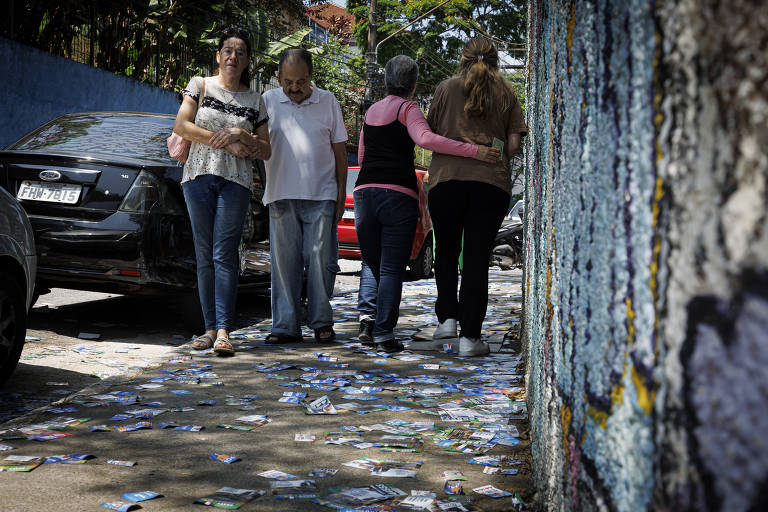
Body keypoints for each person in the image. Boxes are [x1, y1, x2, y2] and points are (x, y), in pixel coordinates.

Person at [355, 55, 500, 353]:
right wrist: (474, 151)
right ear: (413, 84)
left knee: (371, 262)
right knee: (392, 267)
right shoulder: (408, 108)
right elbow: (425, 139)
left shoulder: (370, 112)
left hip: (364, 193)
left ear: (386, 81)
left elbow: (361, 156)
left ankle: (366, 323)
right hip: (397, 194)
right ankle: (384, 334)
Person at [423, 38, 528, 357]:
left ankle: (446, 321)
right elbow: (512, 146)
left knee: (446, 250)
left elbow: (430, 134)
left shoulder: (445, 88)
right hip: (489, 184)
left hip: (446, 180)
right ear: (496, 61)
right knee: (476, 258)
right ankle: (471, 338)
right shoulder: (508, 92)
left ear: (463, 58)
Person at [173, 27, 271, 356]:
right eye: (227, 50)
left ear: (247, 61)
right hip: (198, 176)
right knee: (204, 255)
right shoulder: (200, 85)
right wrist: (218, 139)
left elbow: (266, 149)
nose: (233, 56)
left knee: (225, 254)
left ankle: (225, 332)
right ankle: (208, 329)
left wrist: (240, 135)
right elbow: (181, 125)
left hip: (236, 182)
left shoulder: (255, 100)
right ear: (218, 56)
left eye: (240, 52)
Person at [260, 48, 347, 345]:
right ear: (279, 78)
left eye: (302, 81)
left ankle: (321, 321)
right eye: (289, 81)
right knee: (284, 265)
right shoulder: (268, 101)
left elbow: (339, 152)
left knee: (322, 261)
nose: (295, 88)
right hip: (280, 194)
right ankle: (285, 326)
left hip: (321, 194)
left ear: (312, 77)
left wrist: (339, 195)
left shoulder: (328, 101)